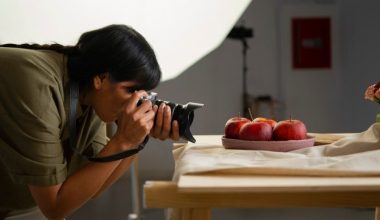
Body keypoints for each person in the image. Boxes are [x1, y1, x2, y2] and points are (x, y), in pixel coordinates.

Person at [0, 24, 179, 220]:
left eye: (143, 95)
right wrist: (123, 140)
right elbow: (55, 207)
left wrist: (135, 140)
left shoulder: (90, 96)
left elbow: (95, 184)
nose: (135, 102)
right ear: (101, 79)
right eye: (130, 90)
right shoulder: (39, 86)